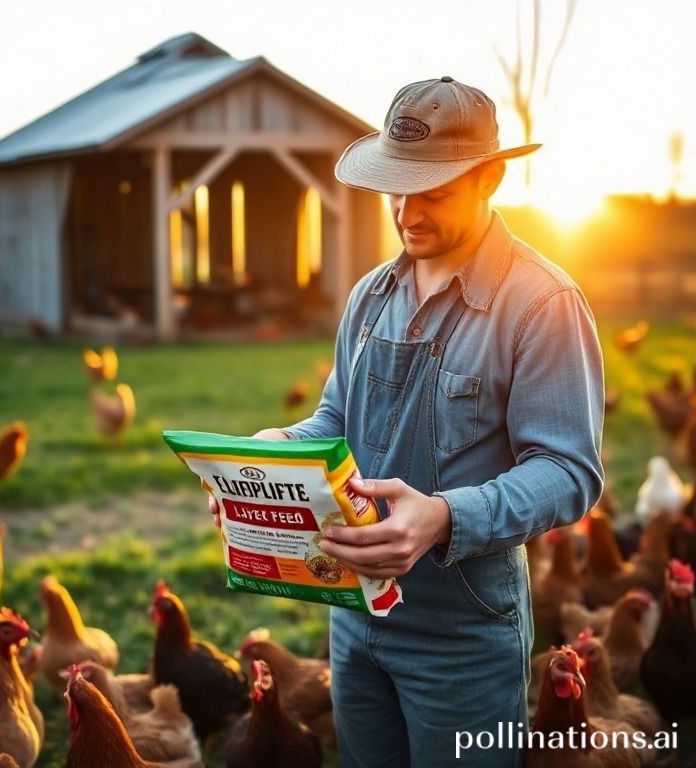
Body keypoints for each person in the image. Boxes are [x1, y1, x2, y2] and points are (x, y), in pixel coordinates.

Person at [212, 76, 604, 766]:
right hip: (354, 618)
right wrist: (271, 456)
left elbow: (569, 471)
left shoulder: (543, 304)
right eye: (397, 188)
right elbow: (337, 419)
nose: (407, 213)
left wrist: (444, 516)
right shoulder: (370, 296)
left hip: (464, 633)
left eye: (433, 192)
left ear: (490, 178)